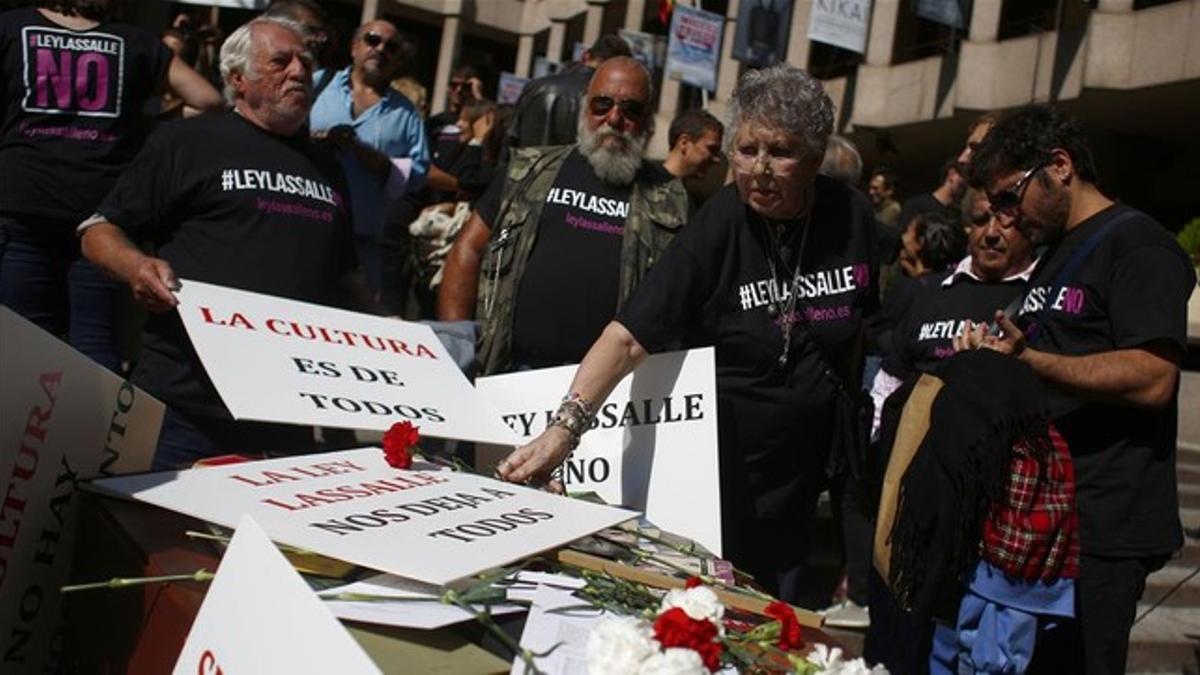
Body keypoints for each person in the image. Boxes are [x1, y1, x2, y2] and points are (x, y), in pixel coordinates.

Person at [496, 64, 879, 604]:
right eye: (746, 150)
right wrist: (564, 429)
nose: (761, 170)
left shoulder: (853, 216)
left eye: (782, 152)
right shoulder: (722, 220)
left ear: (815, 159)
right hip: (722, 479)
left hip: (804, 483)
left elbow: (869, 324)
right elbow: (630, 335)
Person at [954, 104, 1196, 675]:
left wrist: (1029, 359)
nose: (1006, 217)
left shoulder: (1139, 245)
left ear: (1058, 166)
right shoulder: (1055, 254)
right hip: (1044, 520)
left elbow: (1154, 376)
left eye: (1011, 197)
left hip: (1104, 524)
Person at [79, 17, 371, 469]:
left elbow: (345, 275)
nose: (299, 71)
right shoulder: (187, 142)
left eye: (306, 62)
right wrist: (135, 266)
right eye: (280, 61)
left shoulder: (328, 168)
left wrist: (391, 332)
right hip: (182, 407)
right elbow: (99, 232)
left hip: (286, 414)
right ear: (238, 79)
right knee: (153, 537)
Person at [0, 0, 221, 372]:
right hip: (100, 214)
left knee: (22, 338)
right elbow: (209, 101)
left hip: (23, 200)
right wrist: (143, 120)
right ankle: (89, 428)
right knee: (95, 339)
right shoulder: (135, 41)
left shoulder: (10, 27)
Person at [438, 57, 689, 377]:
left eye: (631, 109)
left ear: (648, 120)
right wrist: (456, 343)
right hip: (511, 371)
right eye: (602, 104)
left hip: (608, 388)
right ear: (585, 107)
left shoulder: (670, 197)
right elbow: (468, 249)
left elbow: (681, 296)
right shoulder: (527, 170)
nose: (614, 118)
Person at [309, 18, 431, 292]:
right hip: (305, 226)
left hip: (362, 243)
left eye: (392, 46)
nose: (381, 49)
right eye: (373, 40)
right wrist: (318, 140)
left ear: (398, 59)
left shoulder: (406, 113)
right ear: (354, 47)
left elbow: (419, 174)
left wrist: (382, 164)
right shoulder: (318, 85)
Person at [504, 34, 631, 155]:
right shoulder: (607, 101)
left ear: (585, 56)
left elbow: (510, 138)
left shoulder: (535, 86)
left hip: (527, 173)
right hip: (573, 176)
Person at [662, 108, 724, 208]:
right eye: (711, 149)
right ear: (684, 143)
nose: (717, 159)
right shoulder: (643, 187)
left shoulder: (696, 203)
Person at [895, 157, 965, 240]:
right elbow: (901, 238)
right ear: (952, 174)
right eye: (964, 176)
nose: (966, 183)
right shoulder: (916, 205)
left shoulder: (956, 213)